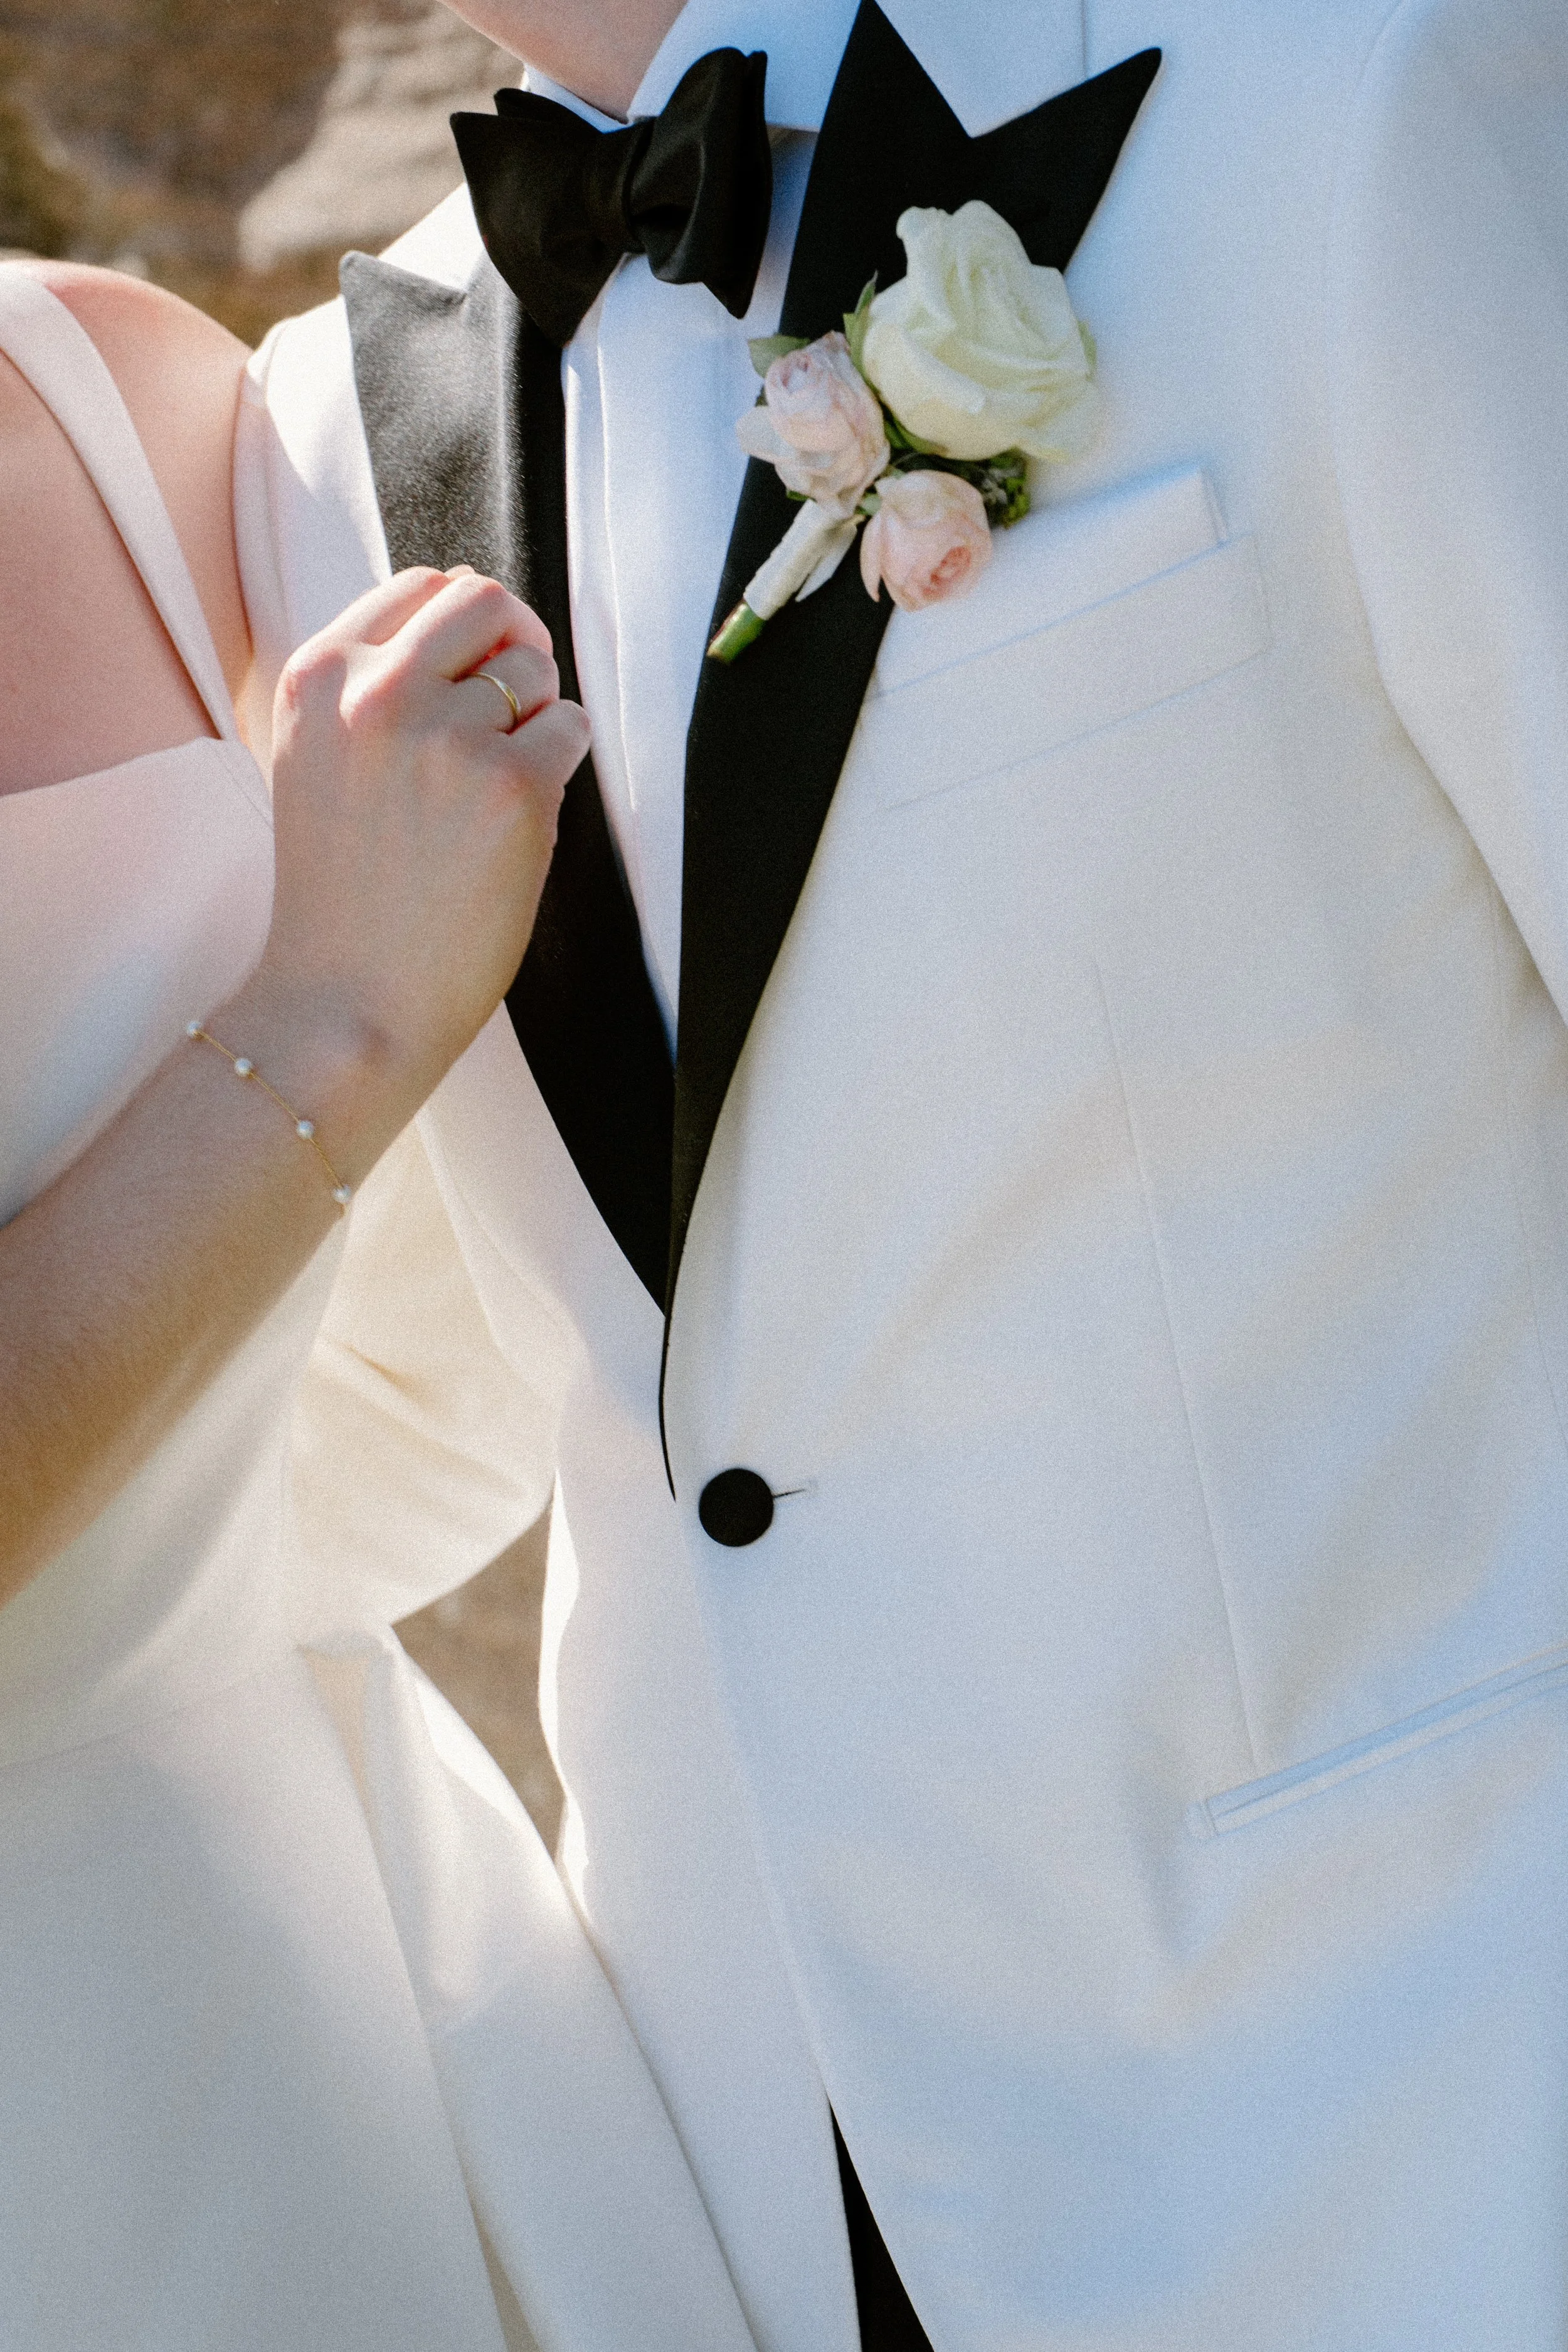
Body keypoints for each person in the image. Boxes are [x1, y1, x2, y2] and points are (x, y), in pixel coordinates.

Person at [239, 0, 1568, 2345]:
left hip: (1439, 2097)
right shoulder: (314, 440)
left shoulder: (1347, 90)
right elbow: (449, 1403)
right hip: (751, 2174)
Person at [0, 258, 758, 2352]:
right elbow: (365, 992)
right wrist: (330, 1020)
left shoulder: (129, 401)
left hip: (360, 1989)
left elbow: (416, 1372)